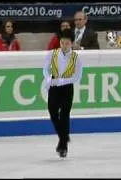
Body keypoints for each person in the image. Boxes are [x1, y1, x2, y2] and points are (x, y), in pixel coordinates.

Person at [43, 29, 83, 158]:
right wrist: (49, 79)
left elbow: (77, 77)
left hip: (67, 88)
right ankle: (64, 136)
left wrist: (63, 81)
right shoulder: (52, 54)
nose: (64, 45)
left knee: (65, 114)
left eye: (66, 43)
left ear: (71, 43)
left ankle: (63, 145)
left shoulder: (76, 58)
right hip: (54, 87)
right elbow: (45, 69)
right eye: (62, 42)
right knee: (52, 111)